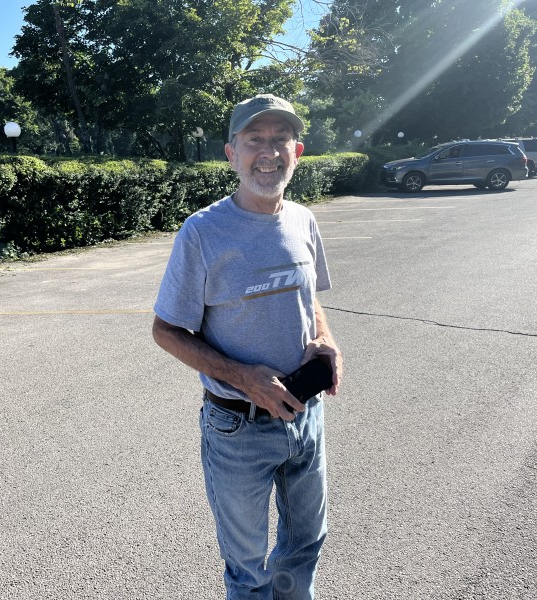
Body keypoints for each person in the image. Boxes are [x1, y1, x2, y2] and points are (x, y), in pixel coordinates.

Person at [152, 93, 343, 600]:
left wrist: (326, 341)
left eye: (280, 140)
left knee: (306, 542)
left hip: (307, 414)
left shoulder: (304, 220)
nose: (268, 152)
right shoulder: (202, 233)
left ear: (297, 152)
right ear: (230, 153)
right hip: (238, 425)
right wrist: (245, 378)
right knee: (247, 568)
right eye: (254, 140)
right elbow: (166, 330)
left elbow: (311, 302)